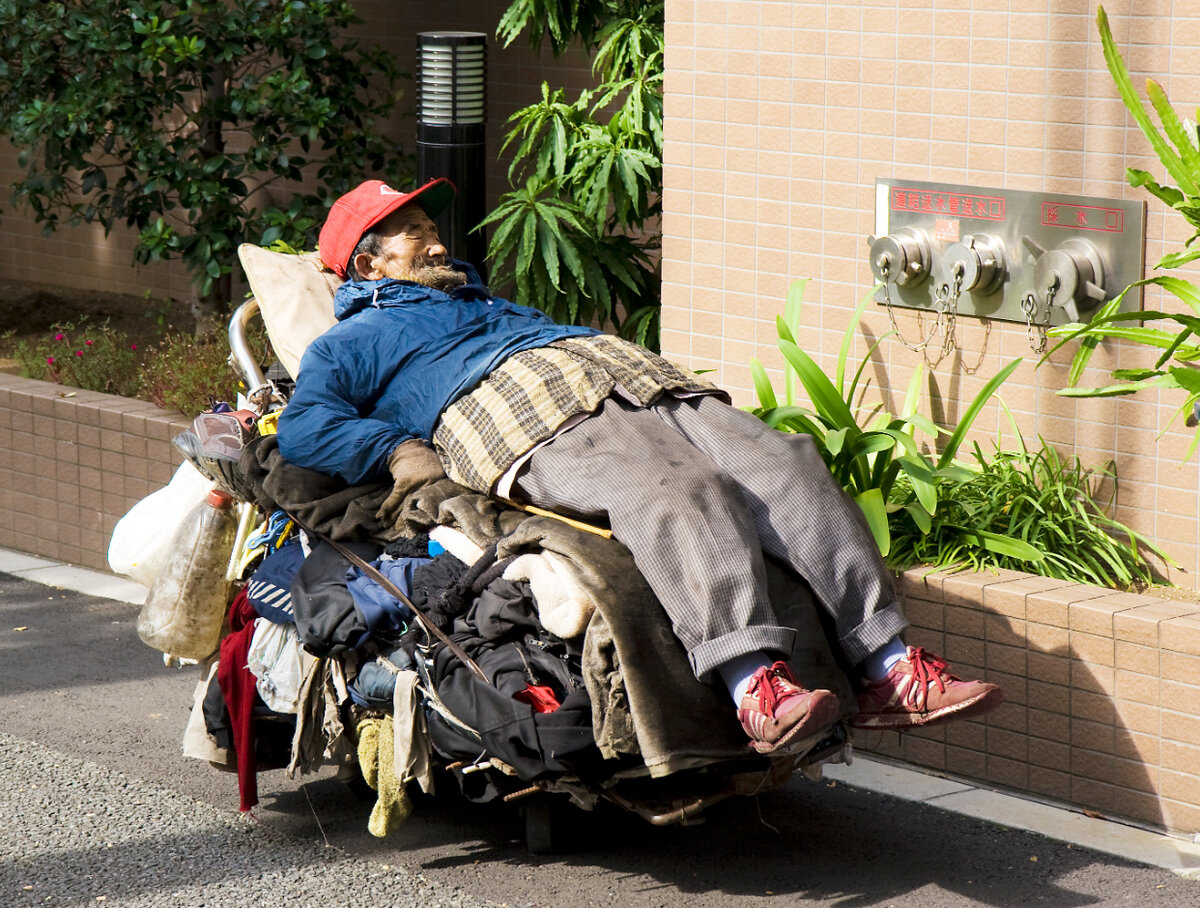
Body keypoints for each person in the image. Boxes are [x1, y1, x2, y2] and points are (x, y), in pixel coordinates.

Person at [276, 178, 1002, 755]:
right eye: (415, 237)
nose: (436, 244)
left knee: (784, 462)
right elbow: (306, 427)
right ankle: (757, 688)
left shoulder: (486, 299)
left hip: (640, 381)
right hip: (530, 415)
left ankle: (889, 666)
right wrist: (398, 450)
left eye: (435, 232)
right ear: (367, 264)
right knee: (679, 491)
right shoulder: (354, 339)